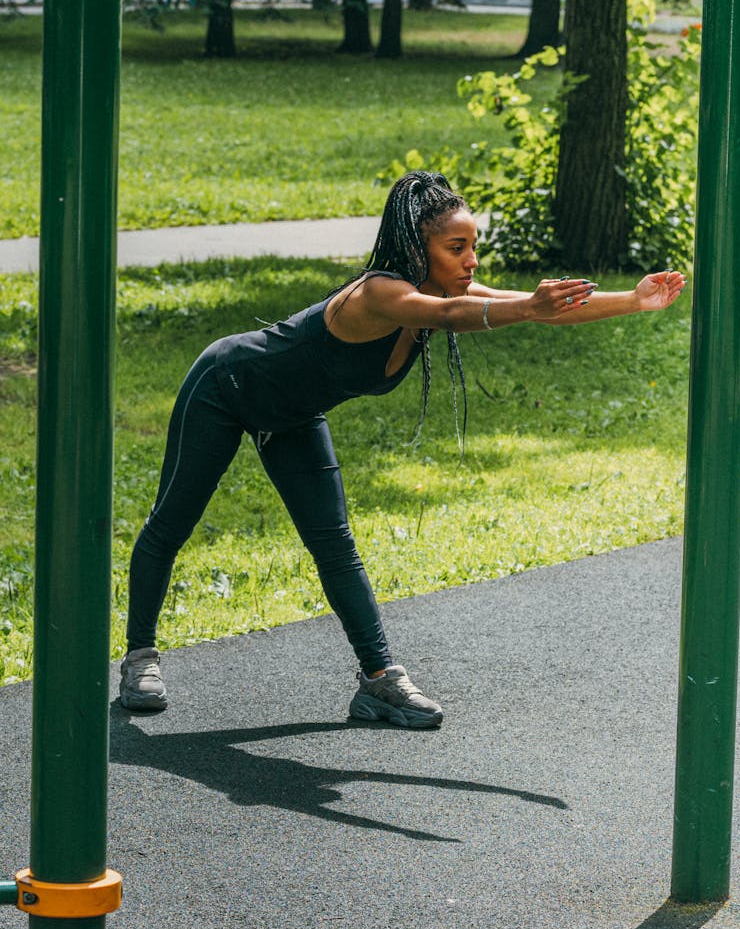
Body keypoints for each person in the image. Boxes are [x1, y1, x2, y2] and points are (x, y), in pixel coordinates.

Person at [120, 171, 686, 729]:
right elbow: (452, 315)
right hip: (227, 386)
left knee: (335, 545)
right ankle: (140, 658)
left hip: (290, 414)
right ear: (419, 247)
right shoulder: (380, 293)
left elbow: (528, 303)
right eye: (456, 248)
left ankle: (379, 682)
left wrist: (634, 301)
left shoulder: (446, 291)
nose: (471, 262)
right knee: (173, 523)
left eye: (473, 248)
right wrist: (529, 307)